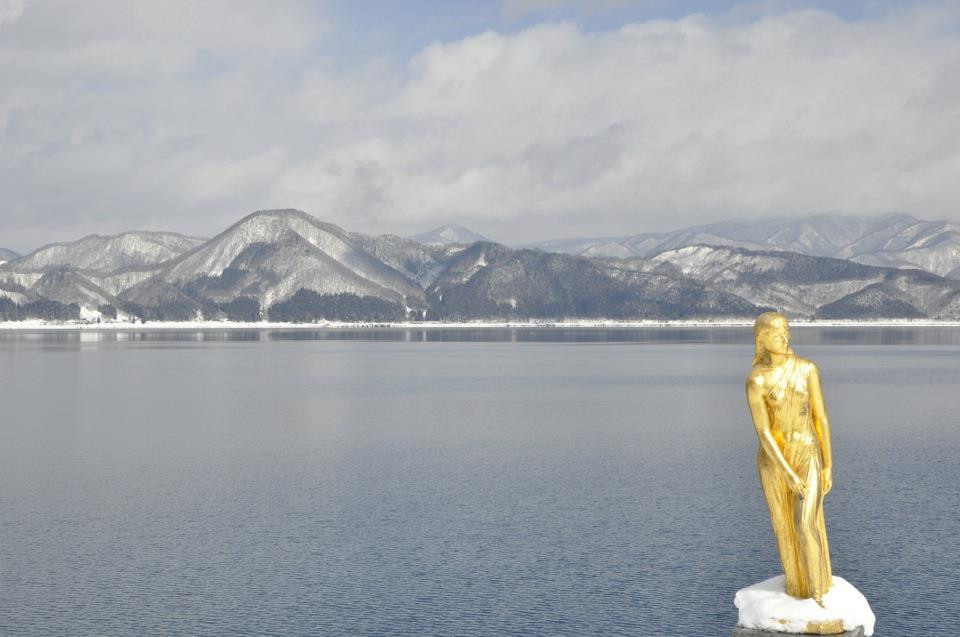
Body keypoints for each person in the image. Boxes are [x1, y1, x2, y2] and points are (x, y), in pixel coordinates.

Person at [745, 312, 833, 606]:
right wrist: (787, 473)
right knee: (784, 526)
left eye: (786, 331)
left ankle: (818, 590)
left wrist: (828, 464)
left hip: (807, 453)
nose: (784, 337)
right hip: (775, 461)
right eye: (776, 334)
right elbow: (764, 432)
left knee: (806, 521)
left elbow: (820, 417)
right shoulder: (756, 380)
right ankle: (798, 584)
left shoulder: (808, 369)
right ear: (762, 339)